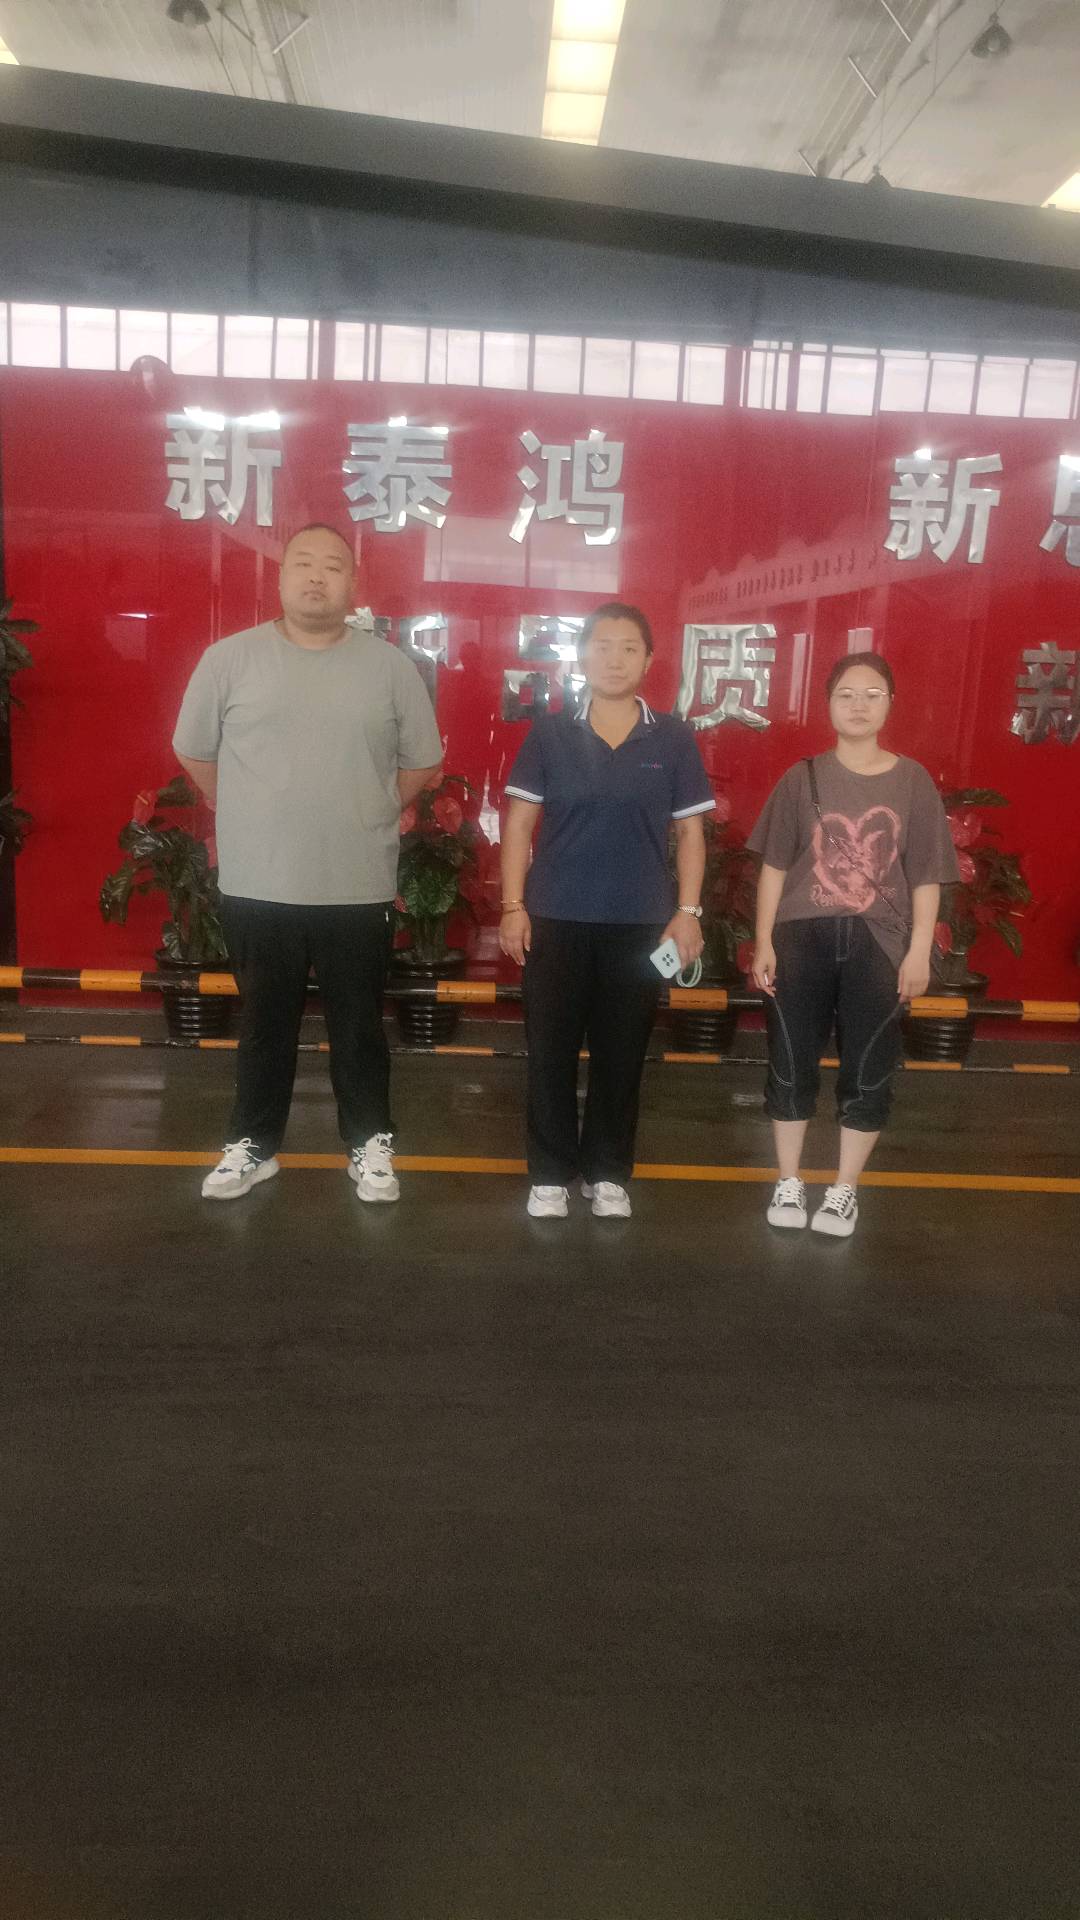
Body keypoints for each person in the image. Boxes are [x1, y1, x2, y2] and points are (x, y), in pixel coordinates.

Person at [172, 523, 443, 1203]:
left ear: (353, 583)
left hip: (357, 884)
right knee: (264, 1026)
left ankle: (370, 1145)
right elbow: (195, 752)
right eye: (303, 563)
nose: (316, 576)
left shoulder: (390, 667)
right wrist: (246, 810)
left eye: (332, 566)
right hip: (259, 883)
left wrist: (373, 808)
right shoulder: (229, 660)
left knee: (360, 1028)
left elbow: (423, 761)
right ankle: (254, 1146)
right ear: (281, 575)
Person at [499, 602, 714, 1220]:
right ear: (582, 656)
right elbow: (519, 826)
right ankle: (549, 1174)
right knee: (550, 1052)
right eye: (602, 646)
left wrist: (688, 911)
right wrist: (513, 906)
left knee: (622, 1054)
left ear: (648, 660)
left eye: (628, 648)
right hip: (555, 918)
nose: (614, 659)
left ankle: (608, 1171)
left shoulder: (672, 737)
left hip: (640, 924)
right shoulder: (550, 734)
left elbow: (691, 834)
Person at [747, 651, 959, 1238]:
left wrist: (918, 950)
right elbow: (773, 866)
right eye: (846, 694)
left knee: (868, 1068)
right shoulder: (802, 778)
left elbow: (925, 875)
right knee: (790, 1062)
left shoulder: (913, 781)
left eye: (871, 694)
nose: (859, 705)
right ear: (828, 705)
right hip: (800, 939)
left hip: (879, 944)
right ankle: (789, 1179)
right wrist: (763, 941)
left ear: (891, 703)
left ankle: (844, 1189)